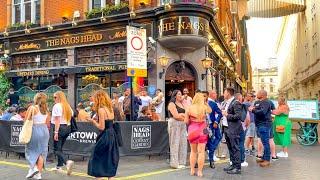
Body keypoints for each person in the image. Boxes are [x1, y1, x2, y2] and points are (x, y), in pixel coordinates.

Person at [87, 90, 120, 179]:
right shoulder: (110, 108)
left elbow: (101, 127)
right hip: (112, 135)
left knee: (97, 157)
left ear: (98, 99)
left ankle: (99, 176)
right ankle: (110, 176)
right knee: (109, 158)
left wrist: (92, 121)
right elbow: (110, 122)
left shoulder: (101, 110)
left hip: (105, 136)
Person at [185, 93, 211, 177]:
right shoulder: (204, 107)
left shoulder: (189, 108)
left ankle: (192, 170)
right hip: (203, 129)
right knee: (201, 152)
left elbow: (186, 121)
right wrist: (205, 103)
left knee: (193, 151)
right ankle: (200, 171)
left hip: (192, 129)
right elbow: (210, 111)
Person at [25, 93, 50, 180]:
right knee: (42, 153)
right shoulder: (46, 109)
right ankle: (38, 174)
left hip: (35, 129)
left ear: (35, 99)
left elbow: (26, 120)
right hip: (45, 130)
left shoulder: (32, 108)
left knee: (31, 151)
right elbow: (48, 123)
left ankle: (33, 168)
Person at [51, 91, 74, 175]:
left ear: (59, 97)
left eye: (55, 97)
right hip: (67, 127)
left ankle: (67, 162)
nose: (54, 99)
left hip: (60, 128)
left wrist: (56, 132)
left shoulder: (57, 106)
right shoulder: (67, 106)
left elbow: (57, 120)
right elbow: (72, 116)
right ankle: (59, 166)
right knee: (59, 148)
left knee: (56, 149)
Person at [249, 90, 274, 167]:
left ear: (262, 95)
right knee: (264, 142)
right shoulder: (258, 102)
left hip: (264, 125)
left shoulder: (266, 102)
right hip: (259, 125)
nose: (256, 94)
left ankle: (267, 160)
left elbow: (262, 112)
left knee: (266, 142)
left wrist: (253, 110)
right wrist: (254, 108)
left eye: (258, 93)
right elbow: (258, 109)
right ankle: (263, 157)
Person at [222, 88, 243, 174]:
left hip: (233, 129)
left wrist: (227, 115)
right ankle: (233, 165)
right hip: (227, 128)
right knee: (230, 148)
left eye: (224, 92)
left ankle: (237, 168)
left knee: (235, 148)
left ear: (228, 93)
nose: (223, 94)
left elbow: (238, 116)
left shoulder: (236, 102)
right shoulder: (227, 102)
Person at [167, 90, 187, 169]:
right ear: (175, 95)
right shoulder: (172, 104)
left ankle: (182, 162)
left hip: (183, 124)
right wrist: (182, 115)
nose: (180, 95)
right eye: (179, 94)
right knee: (175, 143)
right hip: (174, 124)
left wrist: (182, 115)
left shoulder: (182, 103)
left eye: (181, 94)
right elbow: (175, 116)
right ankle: (174, 163)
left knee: (183, 143)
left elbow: (187, 114)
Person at [204, 90, 222, 169]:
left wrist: (216, 122)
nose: (203, 97)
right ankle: (199, 160)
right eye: (202, 96)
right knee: (204, 142)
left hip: (210, 126)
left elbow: (220, 113)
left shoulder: (212, 104)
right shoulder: (198, 105)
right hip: (202, 127)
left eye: (205, 96)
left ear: (207, 96)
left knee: (211, 141)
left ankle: (211, 159)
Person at [234, 93, 250, 167]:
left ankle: (234, 160)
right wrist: (245, 126)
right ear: (240, 99)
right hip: (242, 128)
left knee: (235, 145)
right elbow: (248, 120)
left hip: (234, 129)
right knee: (241, 144)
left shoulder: (232, 106)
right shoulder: (243, 107)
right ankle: (242, 160)